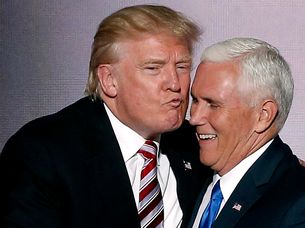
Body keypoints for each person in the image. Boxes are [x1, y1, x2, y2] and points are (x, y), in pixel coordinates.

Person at [0, 5, 211, 228]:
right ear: (109, 79)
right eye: (153, 68)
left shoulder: (199, 144)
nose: (175, 84)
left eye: (182, 66)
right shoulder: (43, 152)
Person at [187, 37, 305, 227]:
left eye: (213, 105)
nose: (195, 118)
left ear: (263, 115)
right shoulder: (189, 176)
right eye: (195, 100)